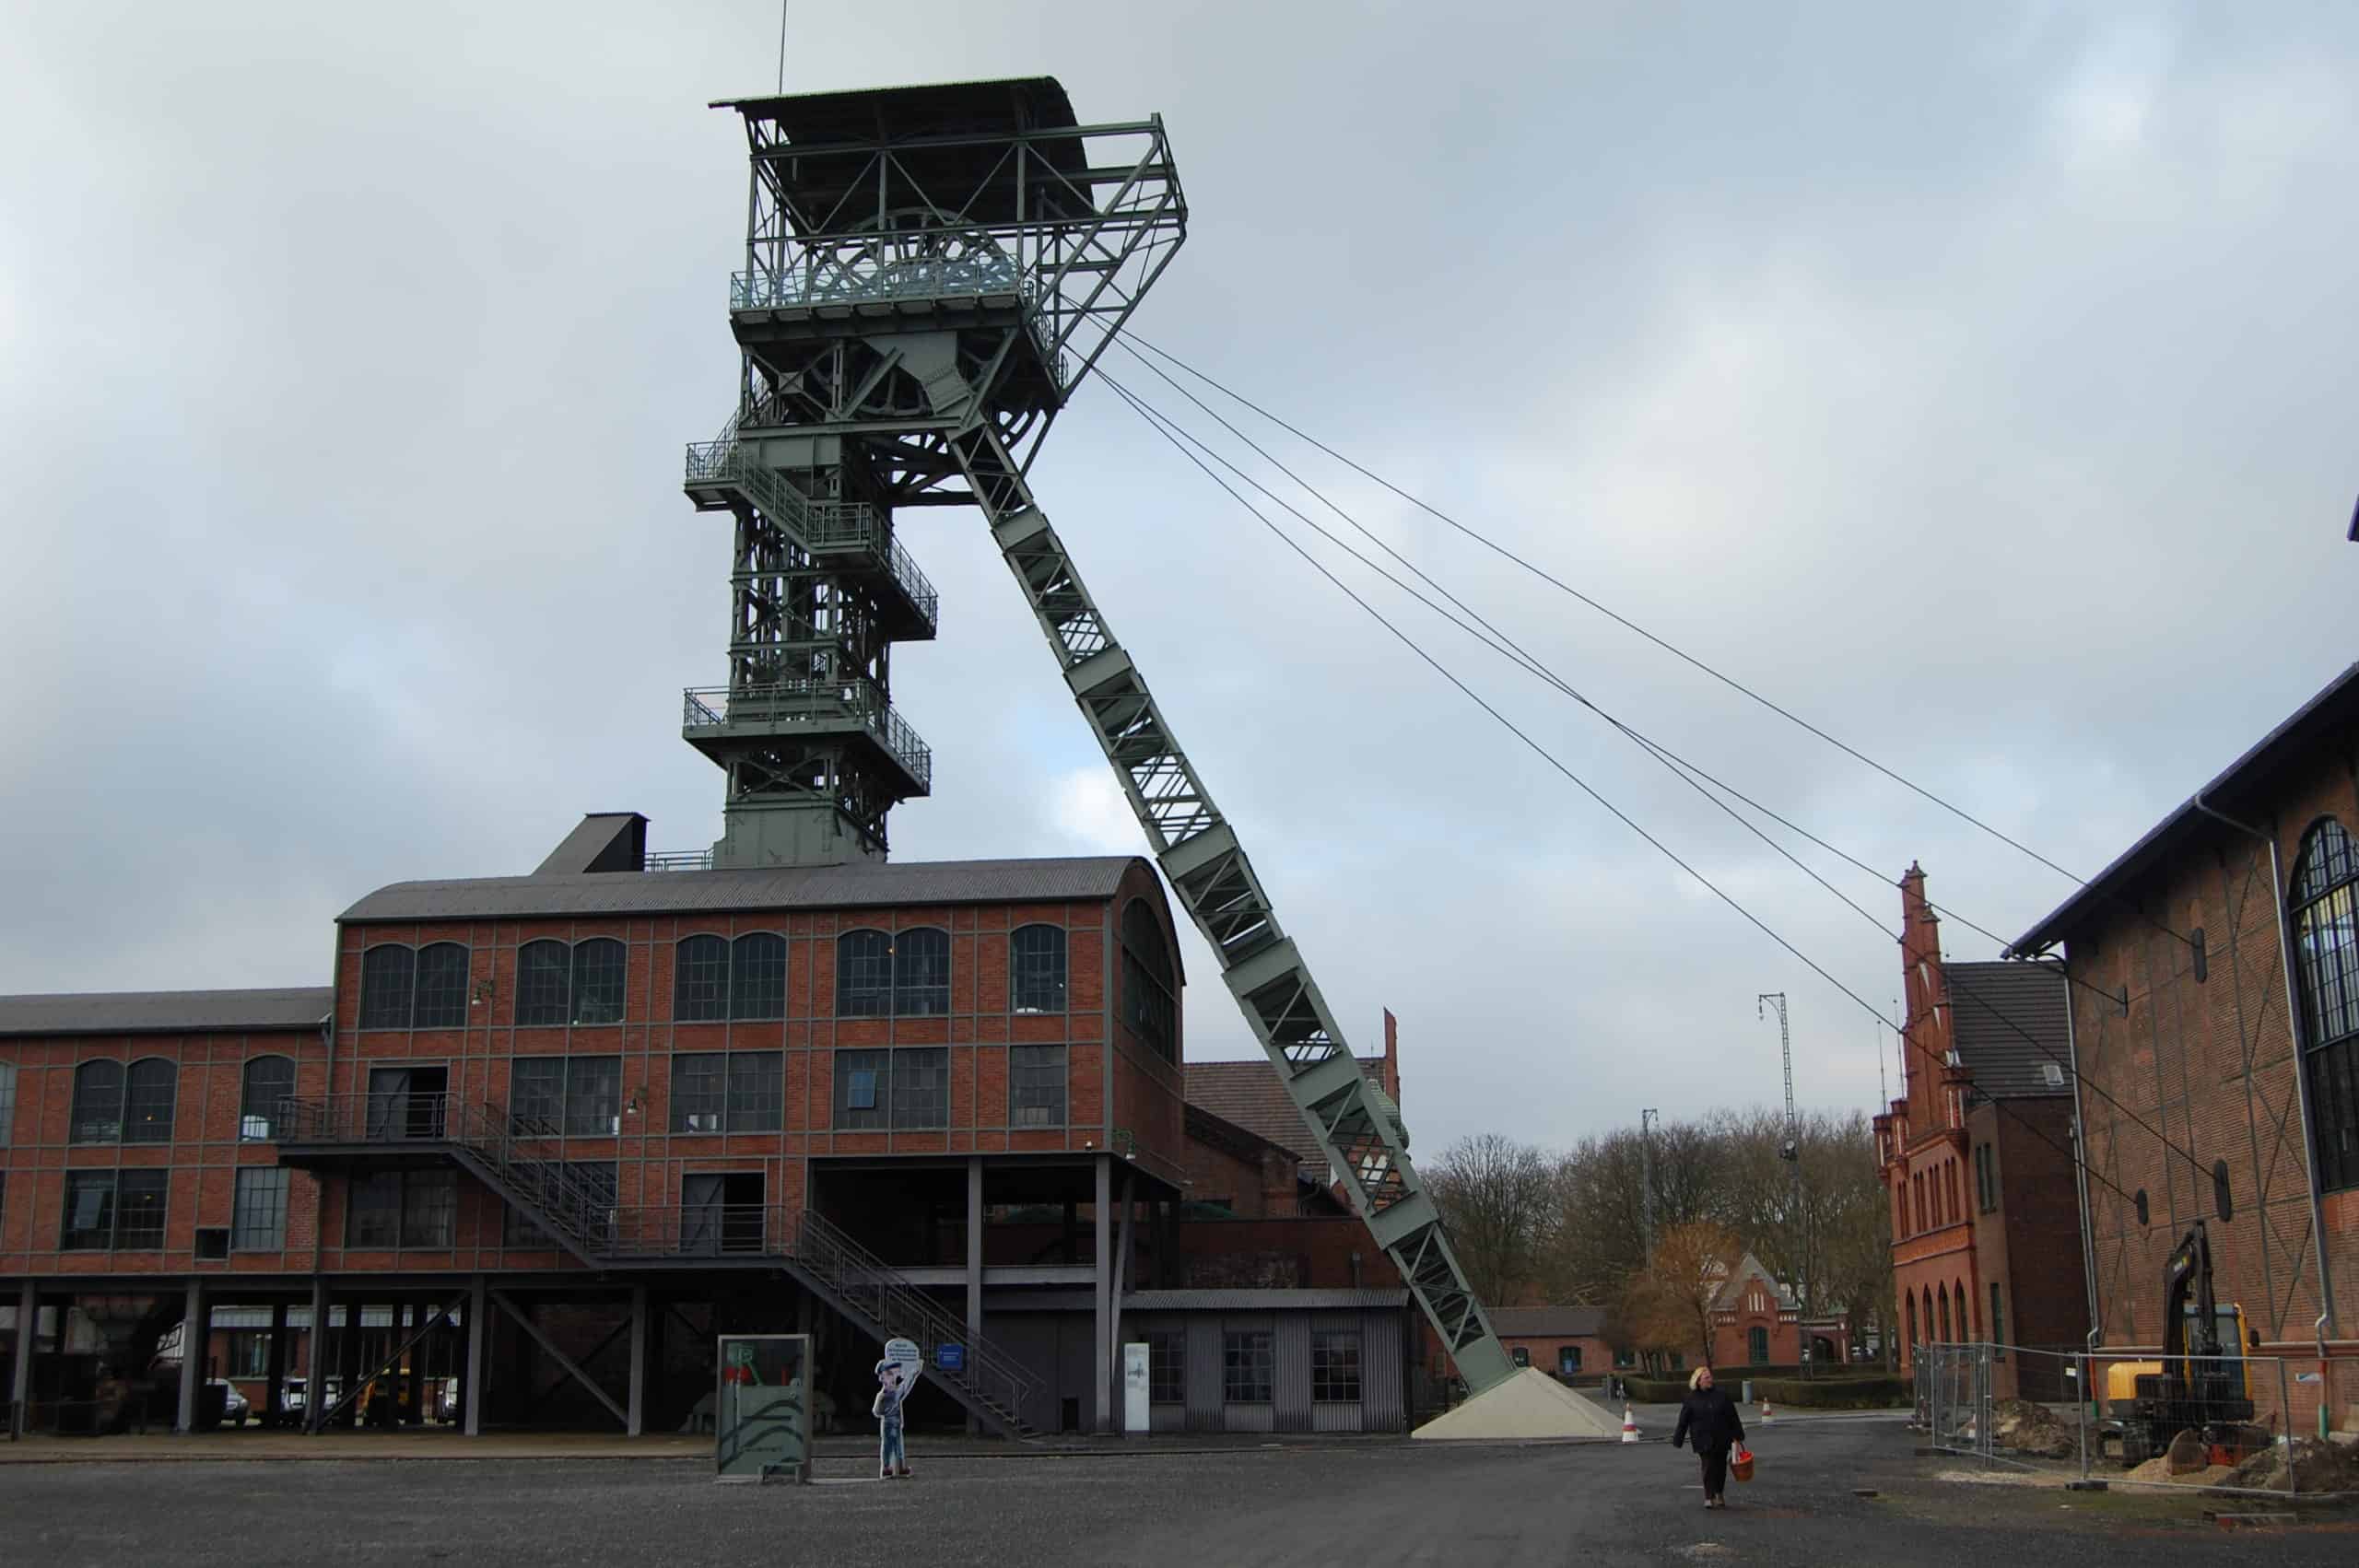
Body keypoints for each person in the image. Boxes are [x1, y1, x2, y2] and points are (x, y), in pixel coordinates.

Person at [1672, 1365, 1746, 1510]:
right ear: (1698, 1381)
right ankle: (1708, 1496)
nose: (1710, 1380)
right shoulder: (1691, 1399)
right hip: (1702, 1438)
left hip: (1722, 1437)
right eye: (1706, 1378)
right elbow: (1683, 1421)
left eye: (1710, 1377)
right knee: (1708, 1466)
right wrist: (1678, 1439)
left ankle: (1719, 1493)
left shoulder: (1722, 1395)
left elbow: (1732, 1417)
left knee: (1720, 1467)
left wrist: (1738, 1436)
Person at [873, 1361, 912, 1480]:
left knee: (898, 1446)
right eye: (889, 1374)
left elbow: (905, 1386)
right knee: (888, 1446)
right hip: (889, 1423)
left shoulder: (895, 1392)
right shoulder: (884, 1394)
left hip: (896, 1423)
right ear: (882, 1377)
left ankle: (899, 1467)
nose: (893, 1377)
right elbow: (876, 1411)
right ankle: (887, 1468)